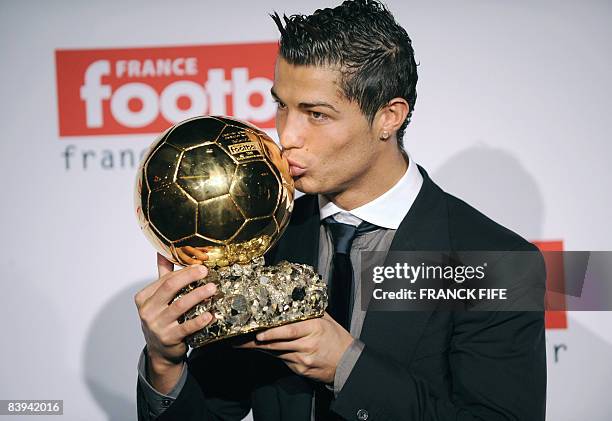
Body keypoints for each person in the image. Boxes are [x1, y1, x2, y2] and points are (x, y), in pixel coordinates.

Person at [134, 1, 547, 420]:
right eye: (282, 106)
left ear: (389, 117)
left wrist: (347, 366)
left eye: (316, 114)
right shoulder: (258, 238)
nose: (287, 136)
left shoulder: (497, 263)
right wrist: (165, 364)